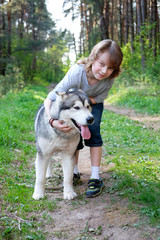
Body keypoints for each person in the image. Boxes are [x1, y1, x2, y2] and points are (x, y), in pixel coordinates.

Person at [44, 39, 123, 198]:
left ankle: (95, 177)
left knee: (93, 131)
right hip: (75, 104)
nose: (104, 71)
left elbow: (100, 98)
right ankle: (74, 172)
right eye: (101, 64)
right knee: (75, 135)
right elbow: (50, 98)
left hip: (94, 103)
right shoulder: (77, 72)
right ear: (93, 58)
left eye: (110, 68)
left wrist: (87, 106)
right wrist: (51, 120)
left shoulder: (109, 78)